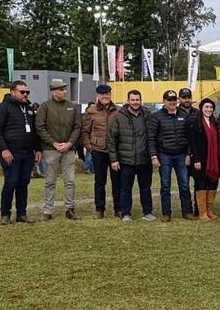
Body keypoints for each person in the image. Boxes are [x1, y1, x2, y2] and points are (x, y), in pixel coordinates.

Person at [0, 80, 42, 225]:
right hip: (11, 152)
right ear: (13, 92)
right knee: (11, 182)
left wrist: (37, 148)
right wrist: (4, 149)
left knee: (24, 182)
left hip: (27, 152)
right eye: (22, 92)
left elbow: (34, 131)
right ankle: (5, 214)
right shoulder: (3, 108)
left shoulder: (29, 109)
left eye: (27, 92)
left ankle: (22, 213)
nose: (25, 94)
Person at [108, 90, 156, 223]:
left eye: (137, 100)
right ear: (128, 100)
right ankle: (126, 213)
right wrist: (114, 159)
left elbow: (152, 136)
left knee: (145, 188)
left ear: (141, 100)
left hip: (144, 160)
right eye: (133, 100)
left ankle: (148, 211)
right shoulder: (119, 116)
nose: (135, 102)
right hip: (126, 160)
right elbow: (112, 139)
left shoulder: (147, 115)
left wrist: (152, 156)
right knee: (125, 189)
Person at [148, 90, 196, 222]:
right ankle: (166, 213)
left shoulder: (184, 115)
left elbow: (189, 137)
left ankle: (187, 211)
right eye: (169, 100)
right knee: (165, 186)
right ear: (164, 101)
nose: (172, 102)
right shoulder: (156, 116)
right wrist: (154, 156)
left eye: (174, 99)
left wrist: (188, 154)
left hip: (181, 154)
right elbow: (151, 138)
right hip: (164, 155)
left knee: (185, 185)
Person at [36, 79, 81, 220]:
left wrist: (69, 143)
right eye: (61, 89)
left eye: (65, 89)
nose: (65, 91)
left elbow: (77, 126)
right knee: (50, 181)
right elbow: (40, 127)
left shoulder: (72, 106)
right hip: (50, 149)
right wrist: (54, 143)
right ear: (54, 91)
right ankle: (48, 211)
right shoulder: (45, 107)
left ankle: (70, 209)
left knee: (70, 181)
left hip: (68, 149)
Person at [81, 84, 121, 219]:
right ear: (98, 95)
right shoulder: (91, 111)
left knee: (117, 182)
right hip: (98, 150)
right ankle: (99, 209)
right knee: (100, 182)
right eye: (103, 94)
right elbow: (85, 131)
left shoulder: (118, 111)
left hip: (115, 151)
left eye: (108, 94)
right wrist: (89, 147)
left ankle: (118, 208)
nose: (106, 96)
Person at [187, 98, 220, 222]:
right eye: (206, 107)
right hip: (200, 159)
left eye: (211, 107)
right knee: (201, 183)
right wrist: (196, 159)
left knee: (213, 182)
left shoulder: (214, 122)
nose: (209, 110)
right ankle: (202, 213)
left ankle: (209, 210)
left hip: (214, 159)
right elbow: (193, 143)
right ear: (201, 108)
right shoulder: (195, 122)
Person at [177, 88, 200, 216]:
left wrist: (192, 154)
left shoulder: (197, 113)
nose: (187, 100)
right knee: (184, 184)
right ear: (179, 99)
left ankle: (199, 208)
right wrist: (186, 154)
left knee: (198, 182)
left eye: (189, 97)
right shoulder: (175, 112)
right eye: (184, 97)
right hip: (182, 153)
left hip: (195, 153)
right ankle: (187, 210)